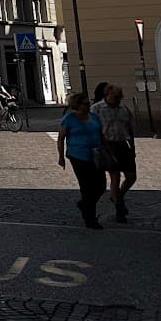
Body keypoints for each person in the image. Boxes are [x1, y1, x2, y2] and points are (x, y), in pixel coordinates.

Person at [58, 90, 106, 229]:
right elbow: (61, 138)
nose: (88, 105)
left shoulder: (94, 117)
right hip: (78, 156)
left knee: (101, 186)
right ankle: (90, 218)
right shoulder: (69, 119)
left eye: (88, 102)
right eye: (85, 103)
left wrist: (106, 149)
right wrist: (61, 156)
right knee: (87, 187)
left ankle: (84, 205)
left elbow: (101, 133)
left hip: (96, 155)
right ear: (77, 105)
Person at [94, 82, 136, 223]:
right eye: (116, 96)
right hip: (108, 145)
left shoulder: (124, 108)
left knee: (131, 177)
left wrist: (133, 147)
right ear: (107, 95)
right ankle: (119, 208)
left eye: (120, 96)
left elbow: (130, 128)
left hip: (124, 144)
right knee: (115, 177)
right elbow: (93, 128)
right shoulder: (97, 109)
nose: (119, 99)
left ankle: (117, 195)